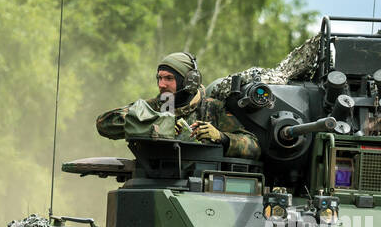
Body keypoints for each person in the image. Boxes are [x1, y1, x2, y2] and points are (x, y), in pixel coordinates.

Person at [95, 51, 260, 159]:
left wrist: (221, 137)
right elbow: (104, 123)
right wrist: (154, 125)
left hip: (201, 186)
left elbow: (253, 147)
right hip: (154, 180)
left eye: (168, 78)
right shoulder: (152, 107)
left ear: (188, 81)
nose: (161, 84)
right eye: (159, 78)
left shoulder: (213, 108)